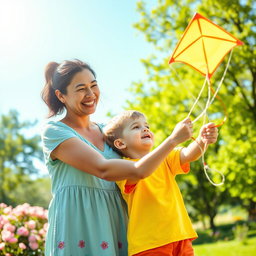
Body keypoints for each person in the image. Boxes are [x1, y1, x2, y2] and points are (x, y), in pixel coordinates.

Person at [40, 59, 195, 256]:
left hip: (117, 220)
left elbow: (143, 158)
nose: (90, 94)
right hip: (80, 223)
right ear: (61, 95)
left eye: (93, 85)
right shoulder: (55, 131)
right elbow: (105, 169)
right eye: (81, 89)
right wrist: (173, 140)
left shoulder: (110, 131)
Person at [103, 110, 218, 256]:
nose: (145, 129)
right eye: (135, 127)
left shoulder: (165, 158)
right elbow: (140, 172)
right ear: (120, 143)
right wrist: (172, 139)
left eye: (147, 126)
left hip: (180, 236)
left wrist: (203, 139)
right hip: (150, 244)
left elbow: (189, 154)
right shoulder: (124, 168)